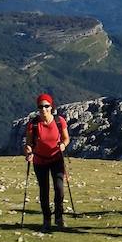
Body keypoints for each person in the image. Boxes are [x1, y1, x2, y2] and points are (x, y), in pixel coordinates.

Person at [24, 92, 70, 233]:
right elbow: (29, 143)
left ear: (51, 107)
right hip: (40, 161)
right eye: (40, 107)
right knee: (44, 191)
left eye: (46, 106)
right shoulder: (33, 124)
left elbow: (66, 138)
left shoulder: (59, 121)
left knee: (59, 188)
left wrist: (63, 145)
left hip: (56, 159)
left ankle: (59, 216)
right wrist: (28, 151)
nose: (43, 109)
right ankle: (46, 219)